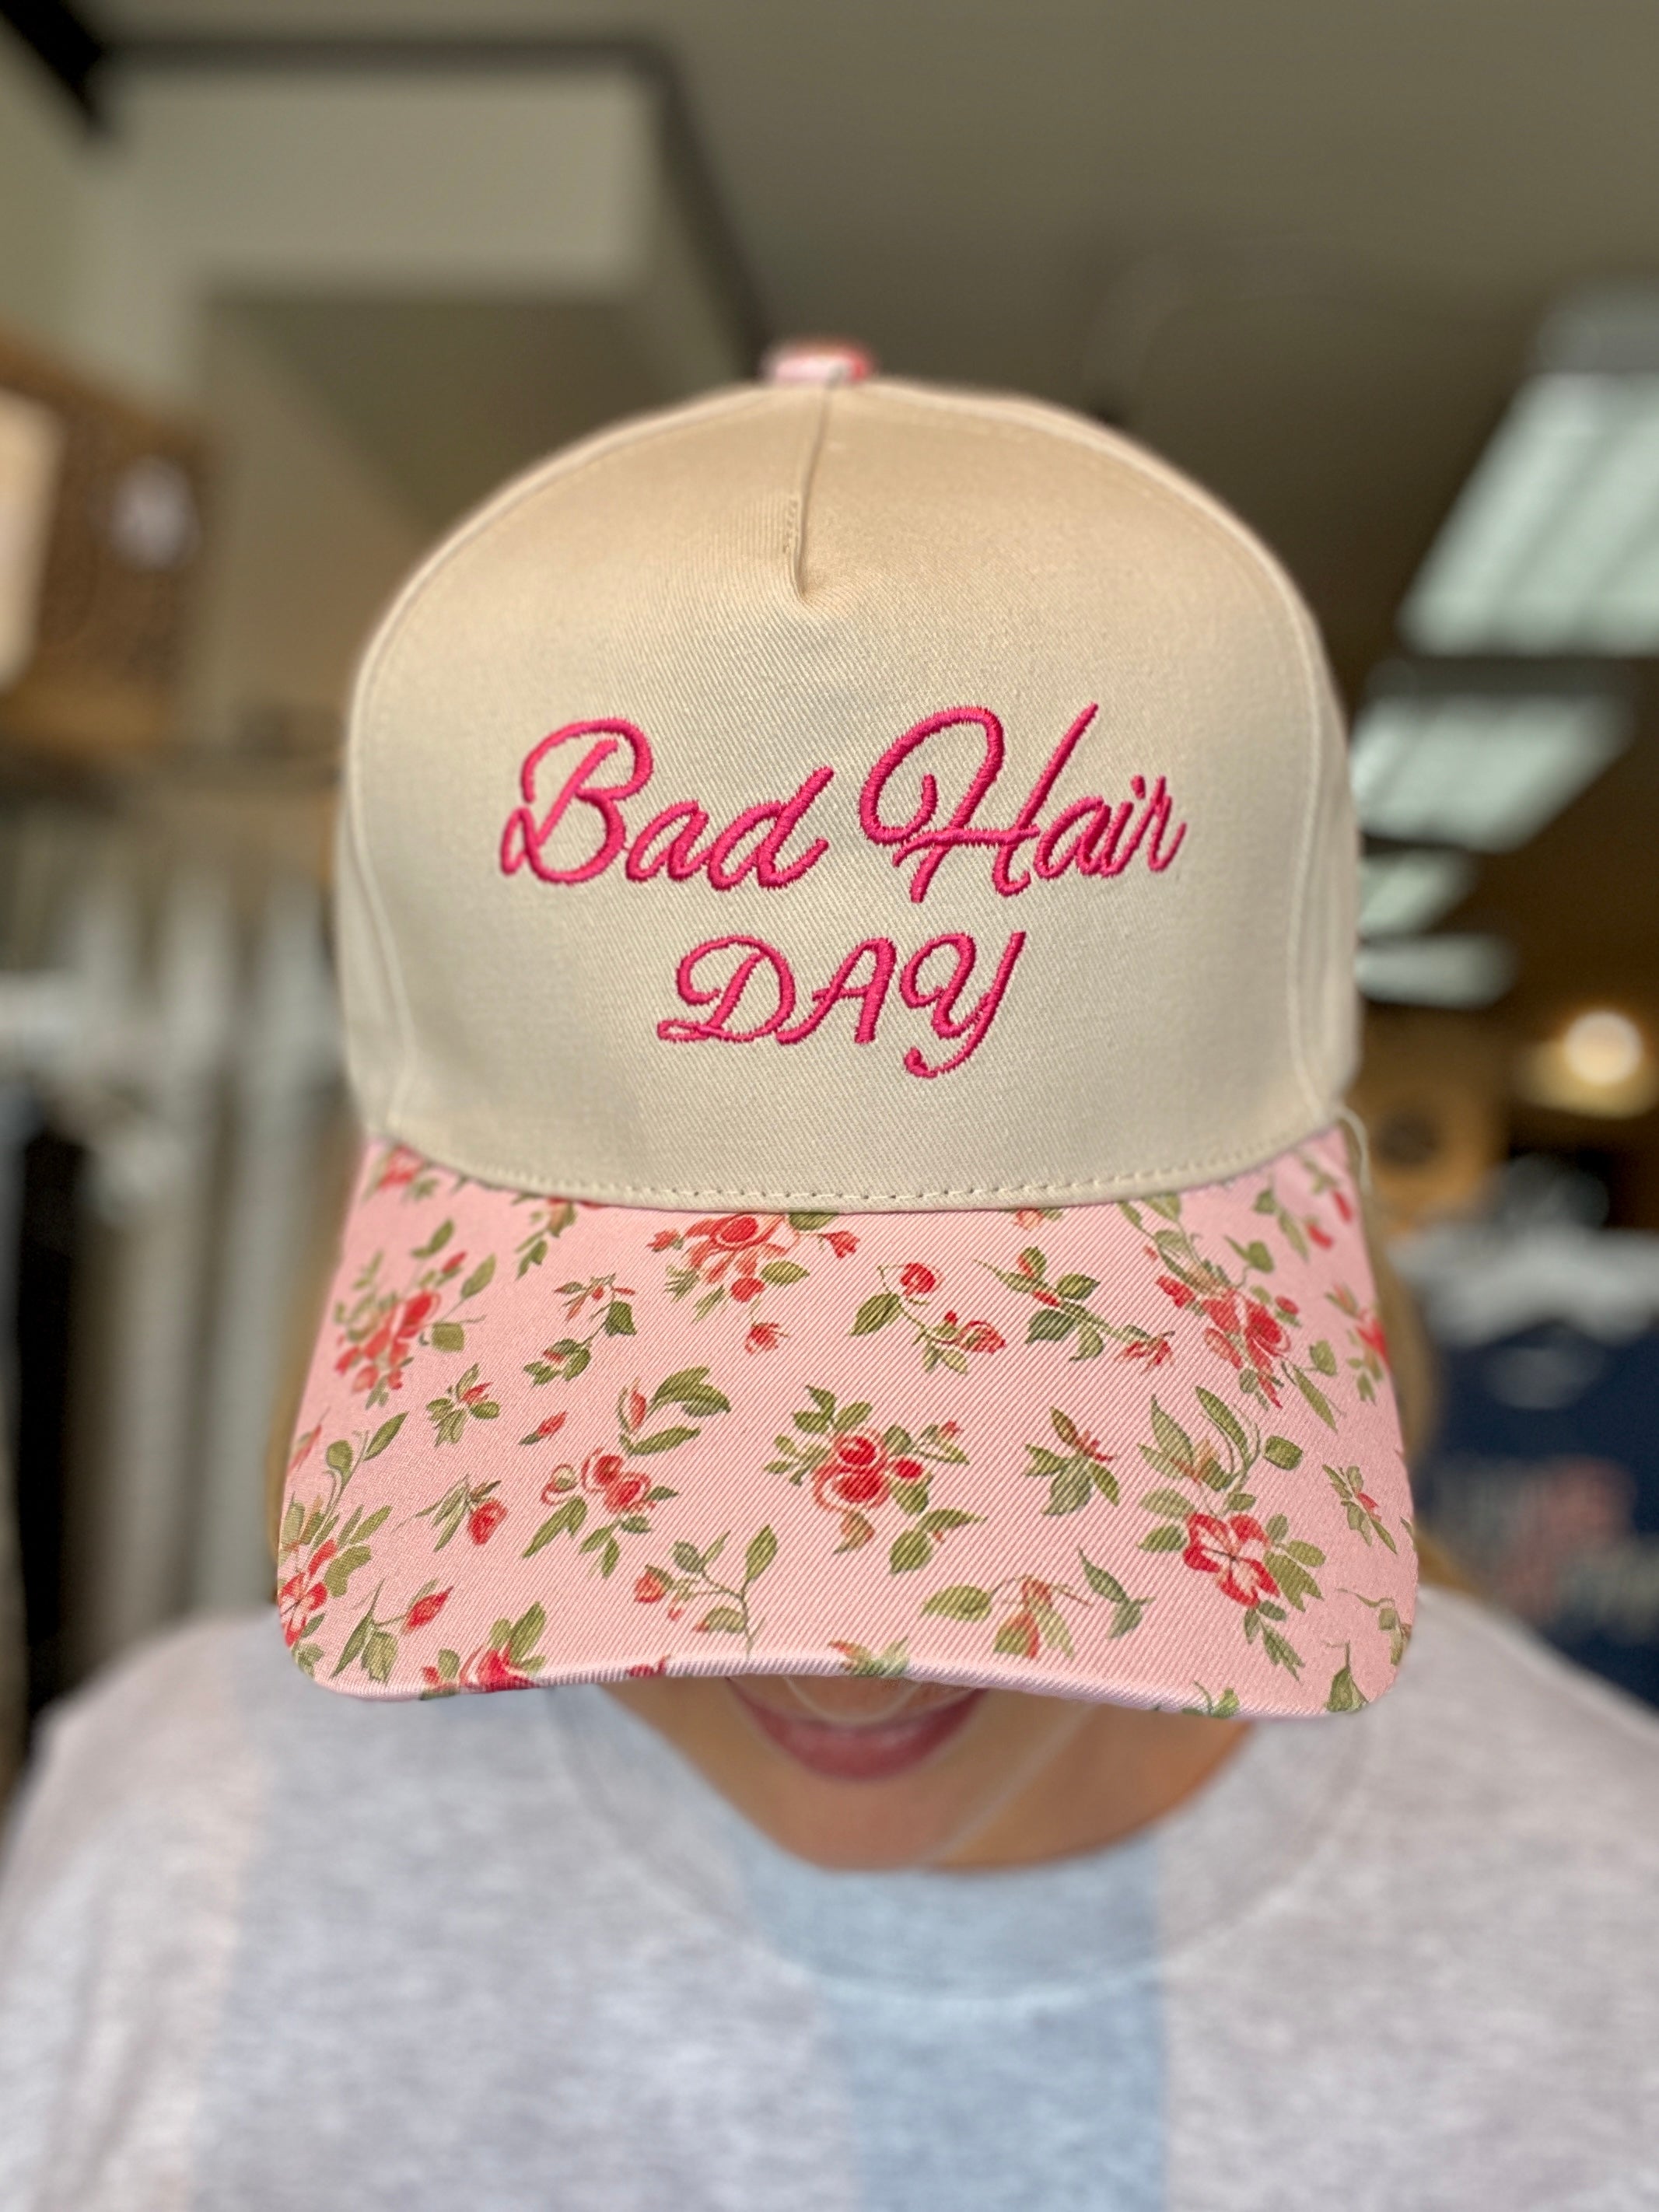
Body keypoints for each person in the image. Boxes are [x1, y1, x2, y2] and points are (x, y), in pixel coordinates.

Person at [2, 348, 1657, 2210]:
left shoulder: (1608, 1940)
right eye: (656, 1463)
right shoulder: (177, 1830)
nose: (836, 1659)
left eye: (1022, 1435)